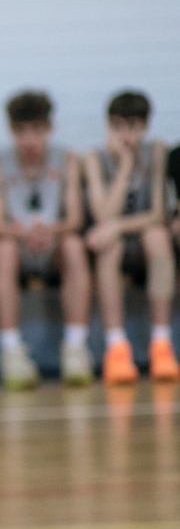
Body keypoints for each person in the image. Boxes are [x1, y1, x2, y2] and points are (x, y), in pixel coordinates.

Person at [0, 90, 91, 387]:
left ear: (49, 128)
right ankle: (11, 349)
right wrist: (28, 233)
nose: (28, 139)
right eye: (21, 131)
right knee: (3, 250)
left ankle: (75, 347)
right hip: (17, 243)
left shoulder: (68, 159)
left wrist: (48, 231)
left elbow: (75, 219)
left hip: (54, 243)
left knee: (74, 246)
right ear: (11, 130)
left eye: (36, 130)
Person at [82, 90, 176, 383]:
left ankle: (161, 343)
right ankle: (116, 346)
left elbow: (158, 214)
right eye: (117, 126)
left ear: (145, 126)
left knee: (157, 237)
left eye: (132, 126)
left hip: (142, 239)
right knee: (108, 246)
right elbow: (103, 216)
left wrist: (118, 226)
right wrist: (123, 170)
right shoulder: (95, 158)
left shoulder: (156, 151)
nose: (125, 135)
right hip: (114, 245)